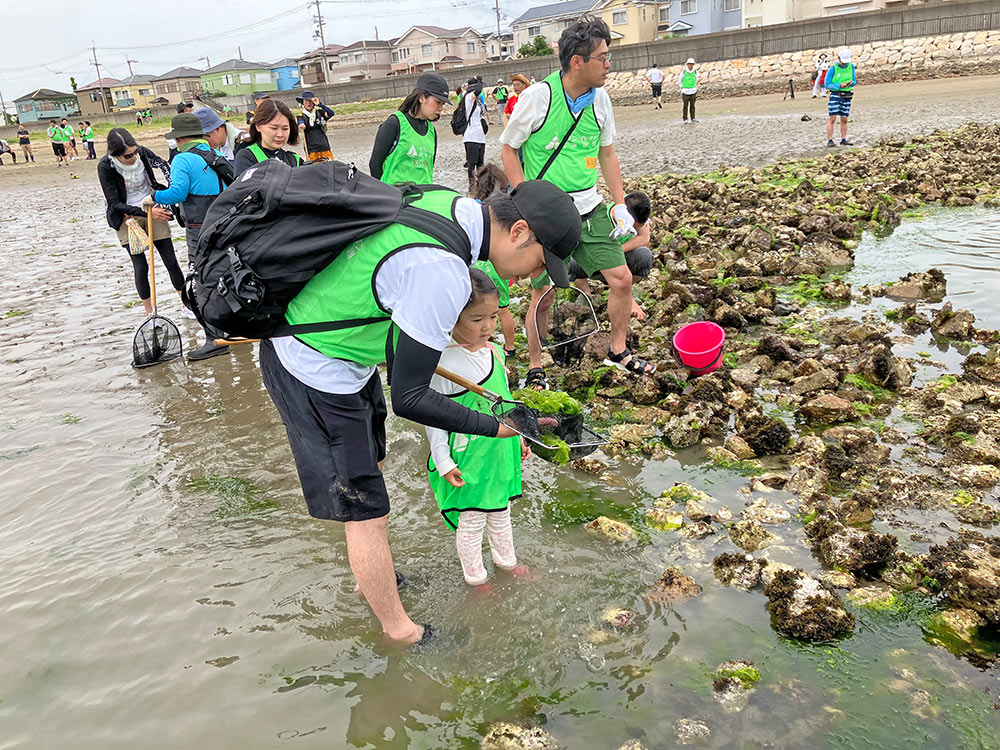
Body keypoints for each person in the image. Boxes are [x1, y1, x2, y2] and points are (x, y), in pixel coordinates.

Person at [259, 179, 579, 645]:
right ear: (519, 232)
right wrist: (496, 427)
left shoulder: (448, 205)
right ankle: (400, 632)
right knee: (363, 509)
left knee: (374, 475)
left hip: (351, 356)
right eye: (539, 262)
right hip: (312, 364)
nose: (531, 276)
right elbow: (409, 399)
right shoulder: (442, 269)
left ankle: (369, 579)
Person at [501, 16, 654, 390]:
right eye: (602, 57)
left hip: (589, 208)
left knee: (621, 278)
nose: (608, 64)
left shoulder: (601, 100)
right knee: (545, 292)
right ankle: (537, 366)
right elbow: (508, 147)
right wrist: (525, 198)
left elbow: (607, 154)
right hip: (549, 215)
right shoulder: (540, 97)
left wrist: (618, 203)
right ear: (577, 62)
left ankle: (617, 349)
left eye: (608, 56)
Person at [426, 268, 531, 586]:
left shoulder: (495, 352)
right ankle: (476, 579)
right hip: (469, 457)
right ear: (452, 318)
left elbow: (507, 402)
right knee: (471, 521)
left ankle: (506, 562)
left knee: (501, 512)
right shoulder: (442, 365)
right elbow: (434, 420)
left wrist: (521, 439)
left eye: (493, 317)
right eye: (476, 319)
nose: (487, 327)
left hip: (499, 451)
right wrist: (443, 462)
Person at [147, 112, 235, 361]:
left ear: (179, 139)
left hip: (199, 229)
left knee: (200, 281)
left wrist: (153, 197)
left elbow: (177, 193)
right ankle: (233, 330)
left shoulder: (182, 159)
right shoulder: (218, 155)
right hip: (226, 226)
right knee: (226, 276)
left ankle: (214, 338)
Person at [97, 128, 186, 318]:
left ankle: (186, 305)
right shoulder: (106, 166)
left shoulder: (142, 153)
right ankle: (149, 313)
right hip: (126, 216)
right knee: (141, 266)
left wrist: (168, 195)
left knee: (170, 260)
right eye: (129, 155)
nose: (135, 156)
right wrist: (145, 213)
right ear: (116, 155)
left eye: (136, 151)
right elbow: (114, 204)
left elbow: (164, 165)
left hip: (152, 206)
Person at [568, 191, 654, 321]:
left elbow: (644, 237)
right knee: (571, 261)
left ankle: (622, 291)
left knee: (644, 255)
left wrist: (616, 251)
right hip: (593, 261)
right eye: (632, 226)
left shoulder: (636, 208)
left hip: (618, 257)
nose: (635, 229)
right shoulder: (602, 220)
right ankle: (586, 294)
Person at [470, 164, 517, 357]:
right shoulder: (503, 209)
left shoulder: (474, 208)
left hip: (478, 265)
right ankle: (510, 347)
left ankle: (478, 345)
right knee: (503, 310)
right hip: (499, 264)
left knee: (476, 310)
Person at [369, 72, 448, 185]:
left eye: (443, 104)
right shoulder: (395, 123)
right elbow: (375, 165)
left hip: (424, 198)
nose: (441, 108)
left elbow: (429, 169)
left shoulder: (431, 131)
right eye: (438, 102)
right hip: (396, 198)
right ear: (422, 98)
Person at [233, 98, 302, 176]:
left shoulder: (294, 160)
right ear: (258, 126)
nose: (280, 134)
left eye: (285, 129)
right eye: (274, 128)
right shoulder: (246, 157)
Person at [825, 48, 856, 147]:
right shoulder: (833, 68)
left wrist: (850, 84)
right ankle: (830, 140)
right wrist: (839, 85)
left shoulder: (851, 67)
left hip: (847, 95)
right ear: (838, 59)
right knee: (832, 118)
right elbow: (827, 84)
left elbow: (854, 81)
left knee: (844, 118)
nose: (844, 63)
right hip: (835, 95)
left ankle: (843, 139)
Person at [461, 78, 487, 186]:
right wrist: (480, 82)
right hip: (471, 135)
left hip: (480, 135)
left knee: (481, 163)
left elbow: (484, 112)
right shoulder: (468, 98)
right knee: (472, 163)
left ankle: (480, 186)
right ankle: (472, 186)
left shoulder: (478, 100)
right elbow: (477, 92)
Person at [296, 90, 335, 162]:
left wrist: (320, 104)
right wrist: (301, 124)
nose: (308, 103)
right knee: (314, 169)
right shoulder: (301, 116)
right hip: (311, 149)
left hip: (324, 146)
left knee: (329, 166)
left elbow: (331, 113)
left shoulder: (319, 113)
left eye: (310, 101)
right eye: (306, 101)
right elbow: (300, 122)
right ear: (302, 102)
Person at [680, 58, 698, 123]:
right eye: (689, 64)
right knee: (685, 106)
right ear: (687, 64)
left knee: (692, 105)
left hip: (693, 91)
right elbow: (680, 80)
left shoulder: (695, 72)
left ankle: (693, 118)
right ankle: (685, 118)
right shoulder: (684, 72)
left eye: (692, 64)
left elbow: (696, 80)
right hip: (685, 91)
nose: (691, 65)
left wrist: (694, 87)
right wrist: (682, 87)